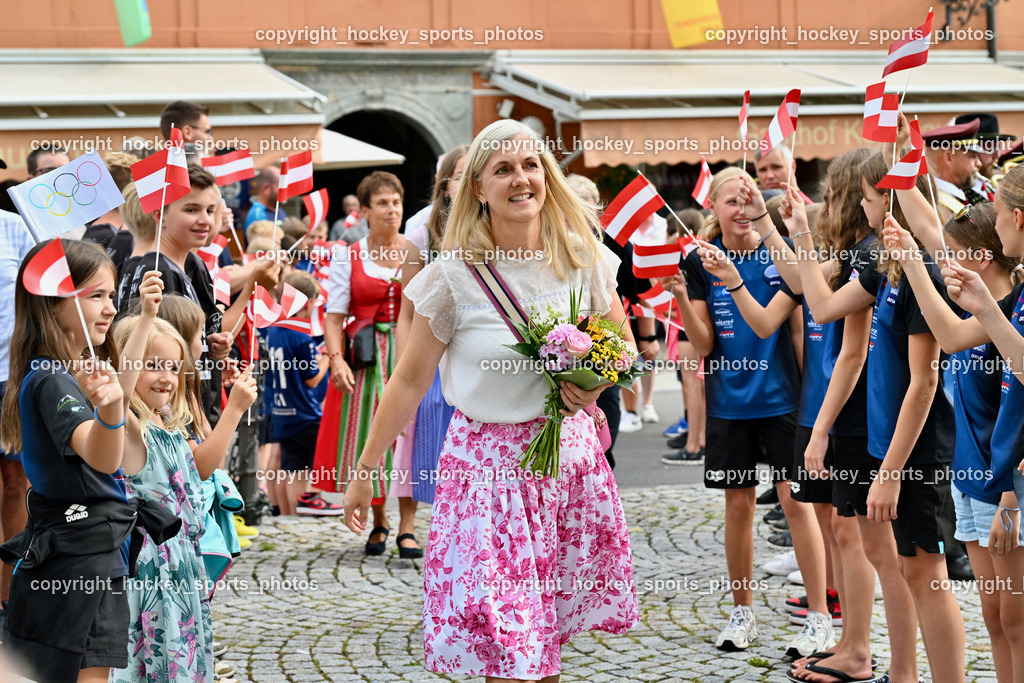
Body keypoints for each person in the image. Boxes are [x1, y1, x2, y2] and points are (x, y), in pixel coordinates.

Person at [343, 118, 638, 681]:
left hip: (568, 468)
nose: (520, 179)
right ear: (477, 188)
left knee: (544, 638)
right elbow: (407, 381)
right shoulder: (451, 277)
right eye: (503, 169)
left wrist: (596, 383)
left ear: (547, 177)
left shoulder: (585, 260)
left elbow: (622, 347)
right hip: (487, 478)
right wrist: (366, 468)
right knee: (507, 643)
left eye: (531, 166)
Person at [787, 147, 966, 681]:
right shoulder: (884, 266)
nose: (860, 210)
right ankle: (901, 671)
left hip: (915, 449)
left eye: (866, 198)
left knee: (926, 575)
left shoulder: (916, 270)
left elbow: (925, 378)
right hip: (883, 440)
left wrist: (888, 472)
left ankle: (905, 670)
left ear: (887, 201)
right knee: (911, 569)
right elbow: (823, 307)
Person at [663, 166, 827, 656]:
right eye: (730, 201)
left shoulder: (777, 254)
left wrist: (811, 403)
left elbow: (796, 330)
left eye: (748, 199)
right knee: (738, 504)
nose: (740, 210)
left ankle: (820, 616)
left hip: (782, 401)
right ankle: (743, 611)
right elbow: (705, 342)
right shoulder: (699, 262)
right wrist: (681, 302)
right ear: (712, 207)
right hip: (730, 404)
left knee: (796, 504)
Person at [884, 198, 1024, 682]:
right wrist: (908, 253)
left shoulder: (1008, 316)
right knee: (993, 615)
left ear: (983, 259)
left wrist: (1011, 494)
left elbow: (1017, 413)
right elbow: (945, 334)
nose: (942, 260)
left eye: (953, 253)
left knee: (1016, 619)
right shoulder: (975, 313)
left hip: (1003, 487)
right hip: (969, 482)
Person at [109, 270, 257, 683]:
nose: (165, 378)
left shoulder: (169, 425)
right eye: (152, 366)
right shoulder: (130, 431)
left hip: (183, 566)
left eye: (173, 368)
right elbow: (120, 394)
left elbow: (198, 470)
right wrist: (145, 319)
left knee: (184, 664)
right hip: (150, 569)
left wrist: (234, 409)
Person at [1, 240, 130, 682]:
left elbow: (120, 459)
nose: (110, 308)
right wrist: (112, 409)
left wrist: (113, 404)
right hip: (80, 554)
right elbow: (101, 457)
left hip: (88, 548)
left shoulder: (63, 371)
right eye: (95, 296)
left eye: (111, 295)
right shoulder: (52, 377)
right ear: (53, 304)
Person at [313, 171, 419, 556]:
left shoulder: (414, 252)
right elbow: (334, 315)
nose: (392, 210)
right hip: (365, 356)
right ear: (366, 211)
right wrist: (336, 357)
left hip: (410, 350)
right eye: (383, 203)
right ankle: (379, 520)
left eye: (396, 202)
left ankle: (407, 525)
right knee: (369, 436)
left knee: (410, 436)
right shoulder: (350, 254)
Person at [396, 144, 466, 504]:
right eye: (460, 176)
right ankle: (418, 522)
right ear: (445, 184)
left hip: (475, 353)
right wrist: (403, 367)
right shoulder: (421, 230)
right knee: (427, 436)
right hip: (433, 349)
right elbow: (407, 311)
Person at [264, 272, 337, 515]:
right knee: (310, 465)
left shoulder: (274, 331)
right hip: (305, 412)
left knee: (291, 467)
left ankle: (288, 515)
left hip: (282, 410)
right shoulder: (302, 338)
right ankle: (308, 503)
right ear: (306, 304)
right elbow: (312, 379)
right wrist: (327, 359)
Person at [0, 209, 34, 638]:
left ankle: (13, 600)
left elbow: (41, 297)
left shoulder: (15, 226)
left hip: (11, 376)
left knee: (17, 481)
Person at [923, 119, 985, 212]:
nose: (979, 163)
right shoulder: (934, 202)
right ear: (949, 157)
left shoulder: (947, 196)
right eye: (972, 156)